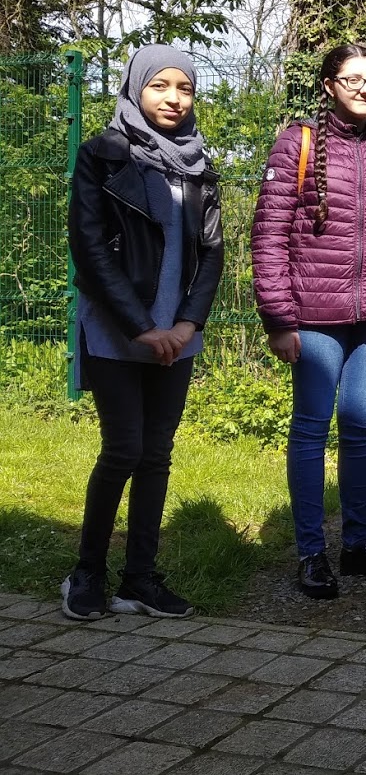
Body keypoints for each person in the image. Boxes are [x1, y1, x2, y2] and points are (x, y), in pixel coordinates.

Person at [252, 44, 366, 599]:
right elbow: (269, 235)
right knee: (309, 429)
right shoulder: (296, 144)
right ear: (329, 85)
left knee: (359, 427)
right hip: (313, 317)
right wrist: (279, 318)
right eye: (352, 78)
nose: (365, 87)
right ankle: (311, 552)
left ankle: (355, 544)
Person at [61, 45, 224, 621]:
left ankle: (139, 579)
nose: (173, 99)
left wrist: (186, 324)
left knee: (156, 454)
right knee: (123, 449)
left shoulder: (200, 164)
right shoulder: (102, 156)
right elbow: (90, 250)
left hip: (178, 335)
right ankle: (87, 573)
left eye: (184, 88)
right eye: (160, 86)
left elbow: (212, 254)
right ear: (136, 88)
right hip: (117, 330)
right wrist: (140, 327)